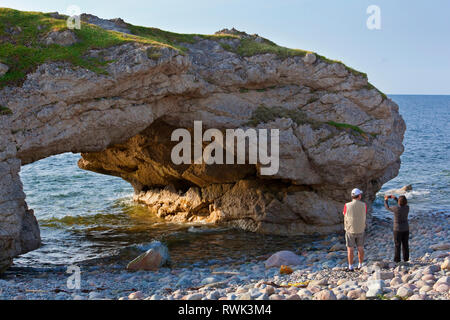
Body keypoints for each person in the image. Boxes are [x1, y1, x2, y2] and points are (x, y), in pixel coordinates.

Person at [342, 188, 367, 271]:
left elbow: (344, 214)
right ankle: (360, 265)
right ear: (359, 196)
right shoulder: (364, 205)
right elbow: (365, 213)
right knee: (360, 247)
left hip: (350, 230)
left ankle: (350, 266)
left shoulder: (346, 205)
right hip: (360, 229)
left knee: (350, 249)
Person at [384, 194, 410, 263]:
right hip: (406, 228)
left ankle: (397, 260)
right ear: (406, 202)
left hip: (397, 229)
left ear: (398, 202)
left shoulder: (396, 208)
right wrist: (395, 198)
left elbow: (387, 207)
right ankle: (406, 259)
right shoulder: (407, 207)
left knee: (397, 245)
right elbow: (401, 203)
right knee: (405, 244)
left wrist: (386, 200)